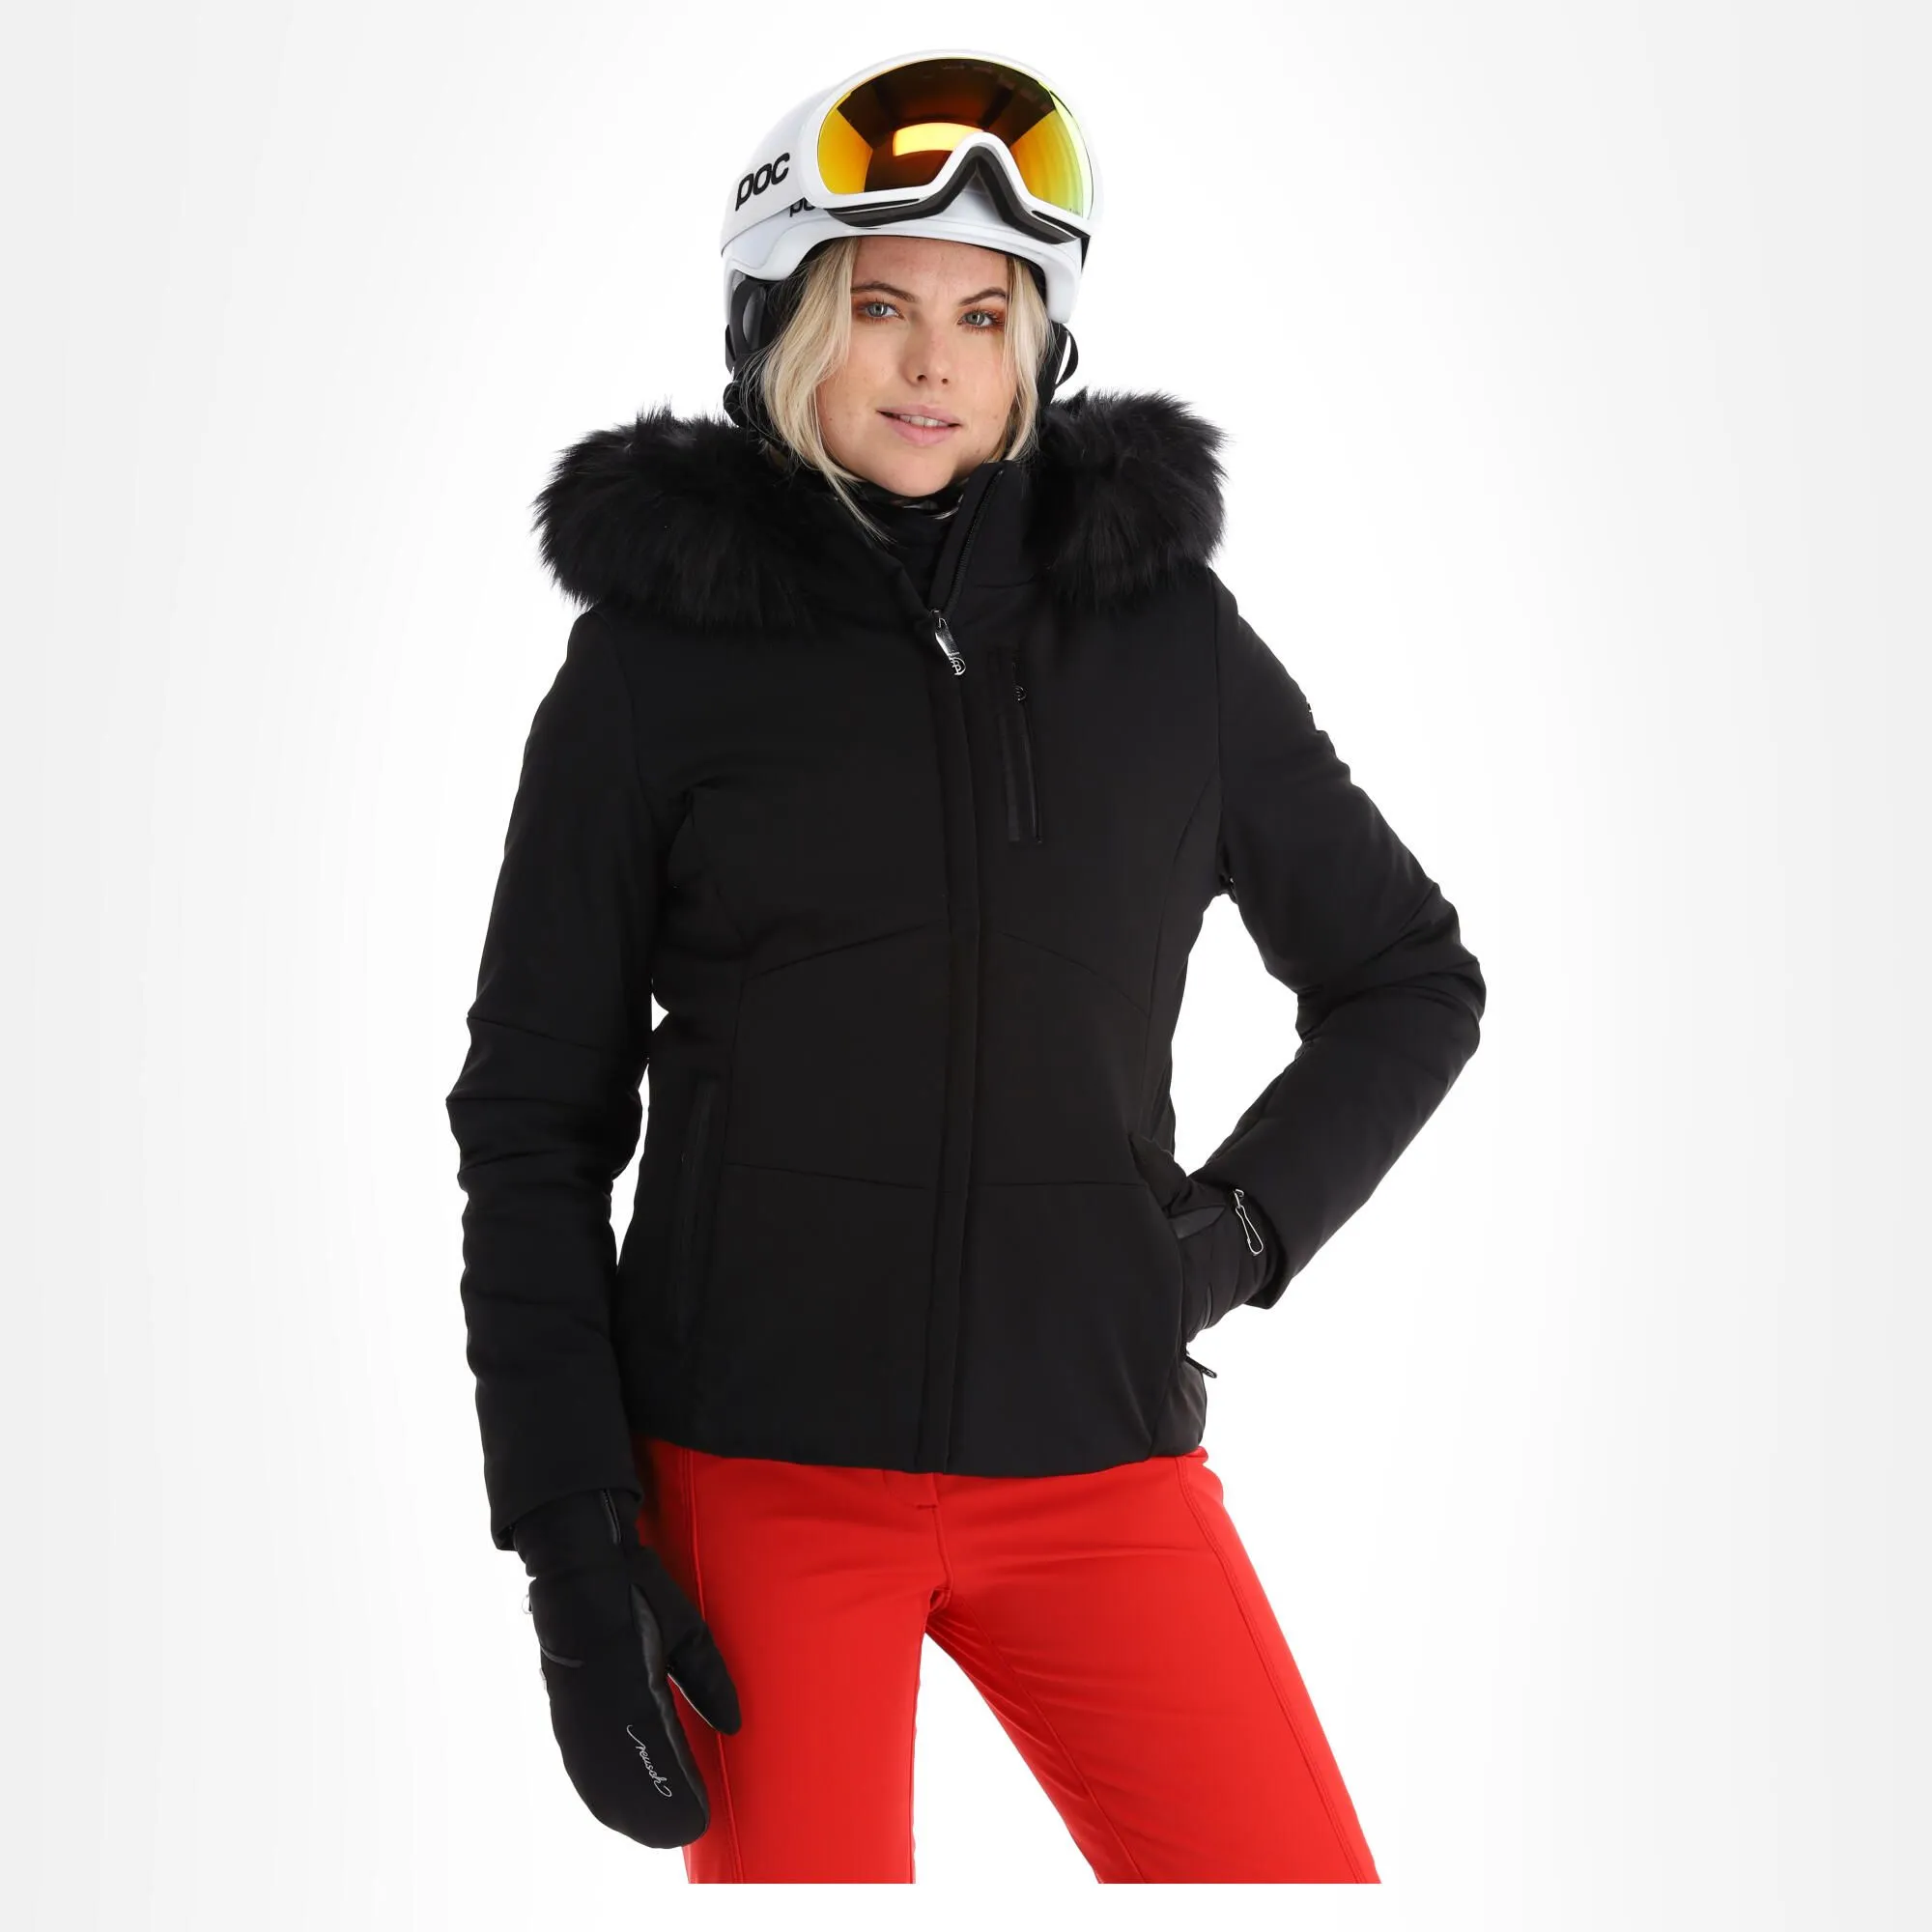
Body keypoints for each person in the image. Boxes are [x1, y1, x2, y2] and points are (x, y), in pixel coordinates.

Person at [444, 49, 1486, 1884]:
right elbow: (531, 1121)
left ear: (1039, 352)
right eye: (881, 306)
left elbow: (1408, 976)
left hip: (1099, 1462)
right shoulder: (652, 666)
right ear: (783, 324)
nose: (934, 362)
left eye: (985, 316)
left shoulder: (1165, 641)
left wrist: (1238, 1235)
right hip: (760, 1479)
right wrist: (571, 1539)